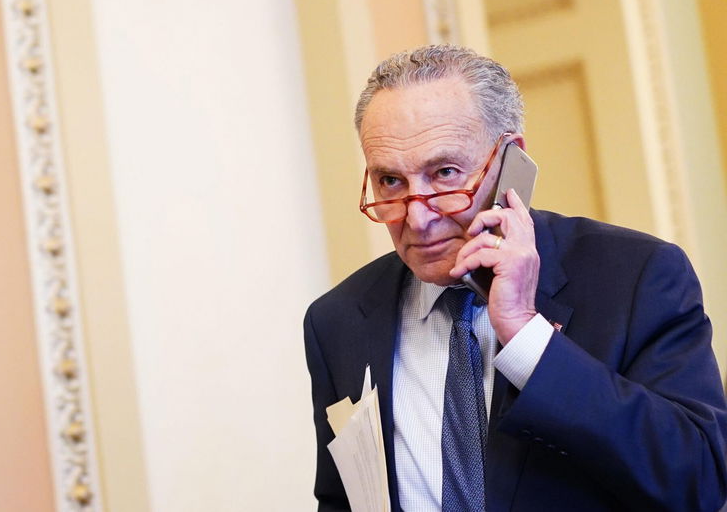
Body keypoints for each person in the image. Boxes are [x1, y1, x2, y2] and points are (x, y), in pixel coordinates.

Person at [304, 44, 727, 511]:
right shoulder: (338, 321)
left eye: (445, 174)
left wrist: (527, 334)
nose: (417, 219)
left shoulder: (638, 276)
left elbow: (701, 483)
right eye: (390, 182)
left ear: (511, 161)